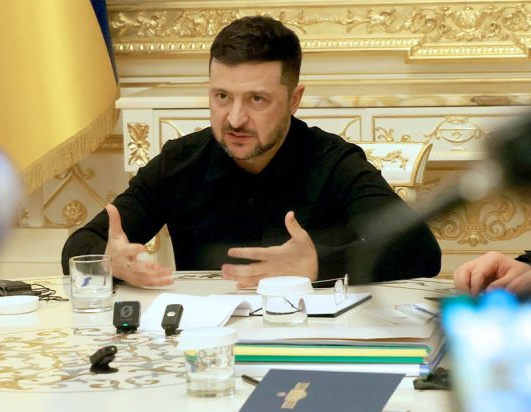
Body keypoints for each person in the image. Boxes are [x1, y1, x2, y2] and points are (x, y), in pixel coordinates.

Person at [61, 15, 441, 288]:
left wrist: (317, 263)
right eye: (222, 96)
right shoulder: (181, 161)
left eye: (257, 99)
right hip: (205, 346)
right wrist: (109, 261)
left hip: (309, 340)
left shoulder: (334, 162)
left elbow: (421, 251)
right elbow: (79, 246)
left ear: (294, 99)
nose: (235, 118)